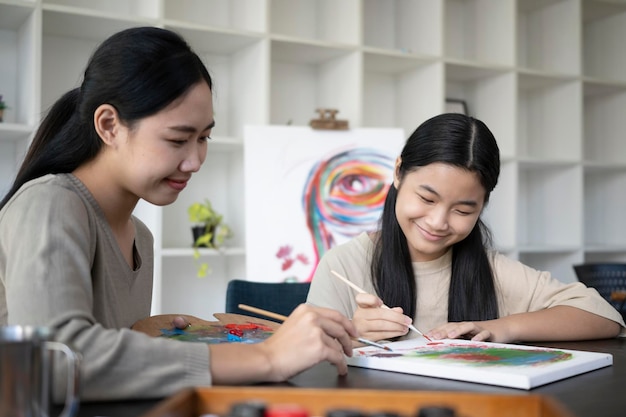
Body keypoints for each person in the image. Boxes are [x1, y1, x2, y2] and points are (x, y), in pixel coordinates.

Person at [0, 26, 357, 401]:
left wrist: (147, 336)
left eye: (203, 138)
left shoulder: (140, 236)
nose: (195, 161)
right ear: (109, 126)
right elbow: (54, 361)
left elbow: (103, 366)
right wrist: (266, 356)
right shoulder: (50, 203)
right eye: (177, 139)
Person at [307, 113, 625, 345]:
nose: (438, 222)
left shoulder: (492, 271)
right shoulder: (343, 264)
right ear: (399, 172)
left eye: (462, 210)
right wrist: (353, 331)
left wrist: (501, 328)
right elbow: (304, 356)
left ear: (482, 205)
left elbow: (604, 317)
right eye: (426, 198)